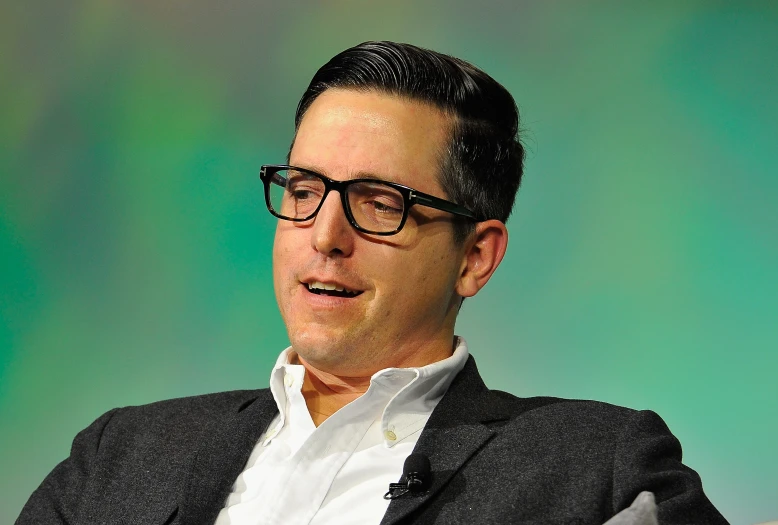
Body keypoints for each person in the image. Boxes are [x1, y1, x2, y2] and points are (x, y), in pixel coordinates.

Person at [17, 41, 728, 525]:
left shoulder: (598, 464)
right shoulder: (122, 453)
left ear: (476, 255)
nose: (325, 234)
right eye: (304, 188)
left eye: (380, 203)